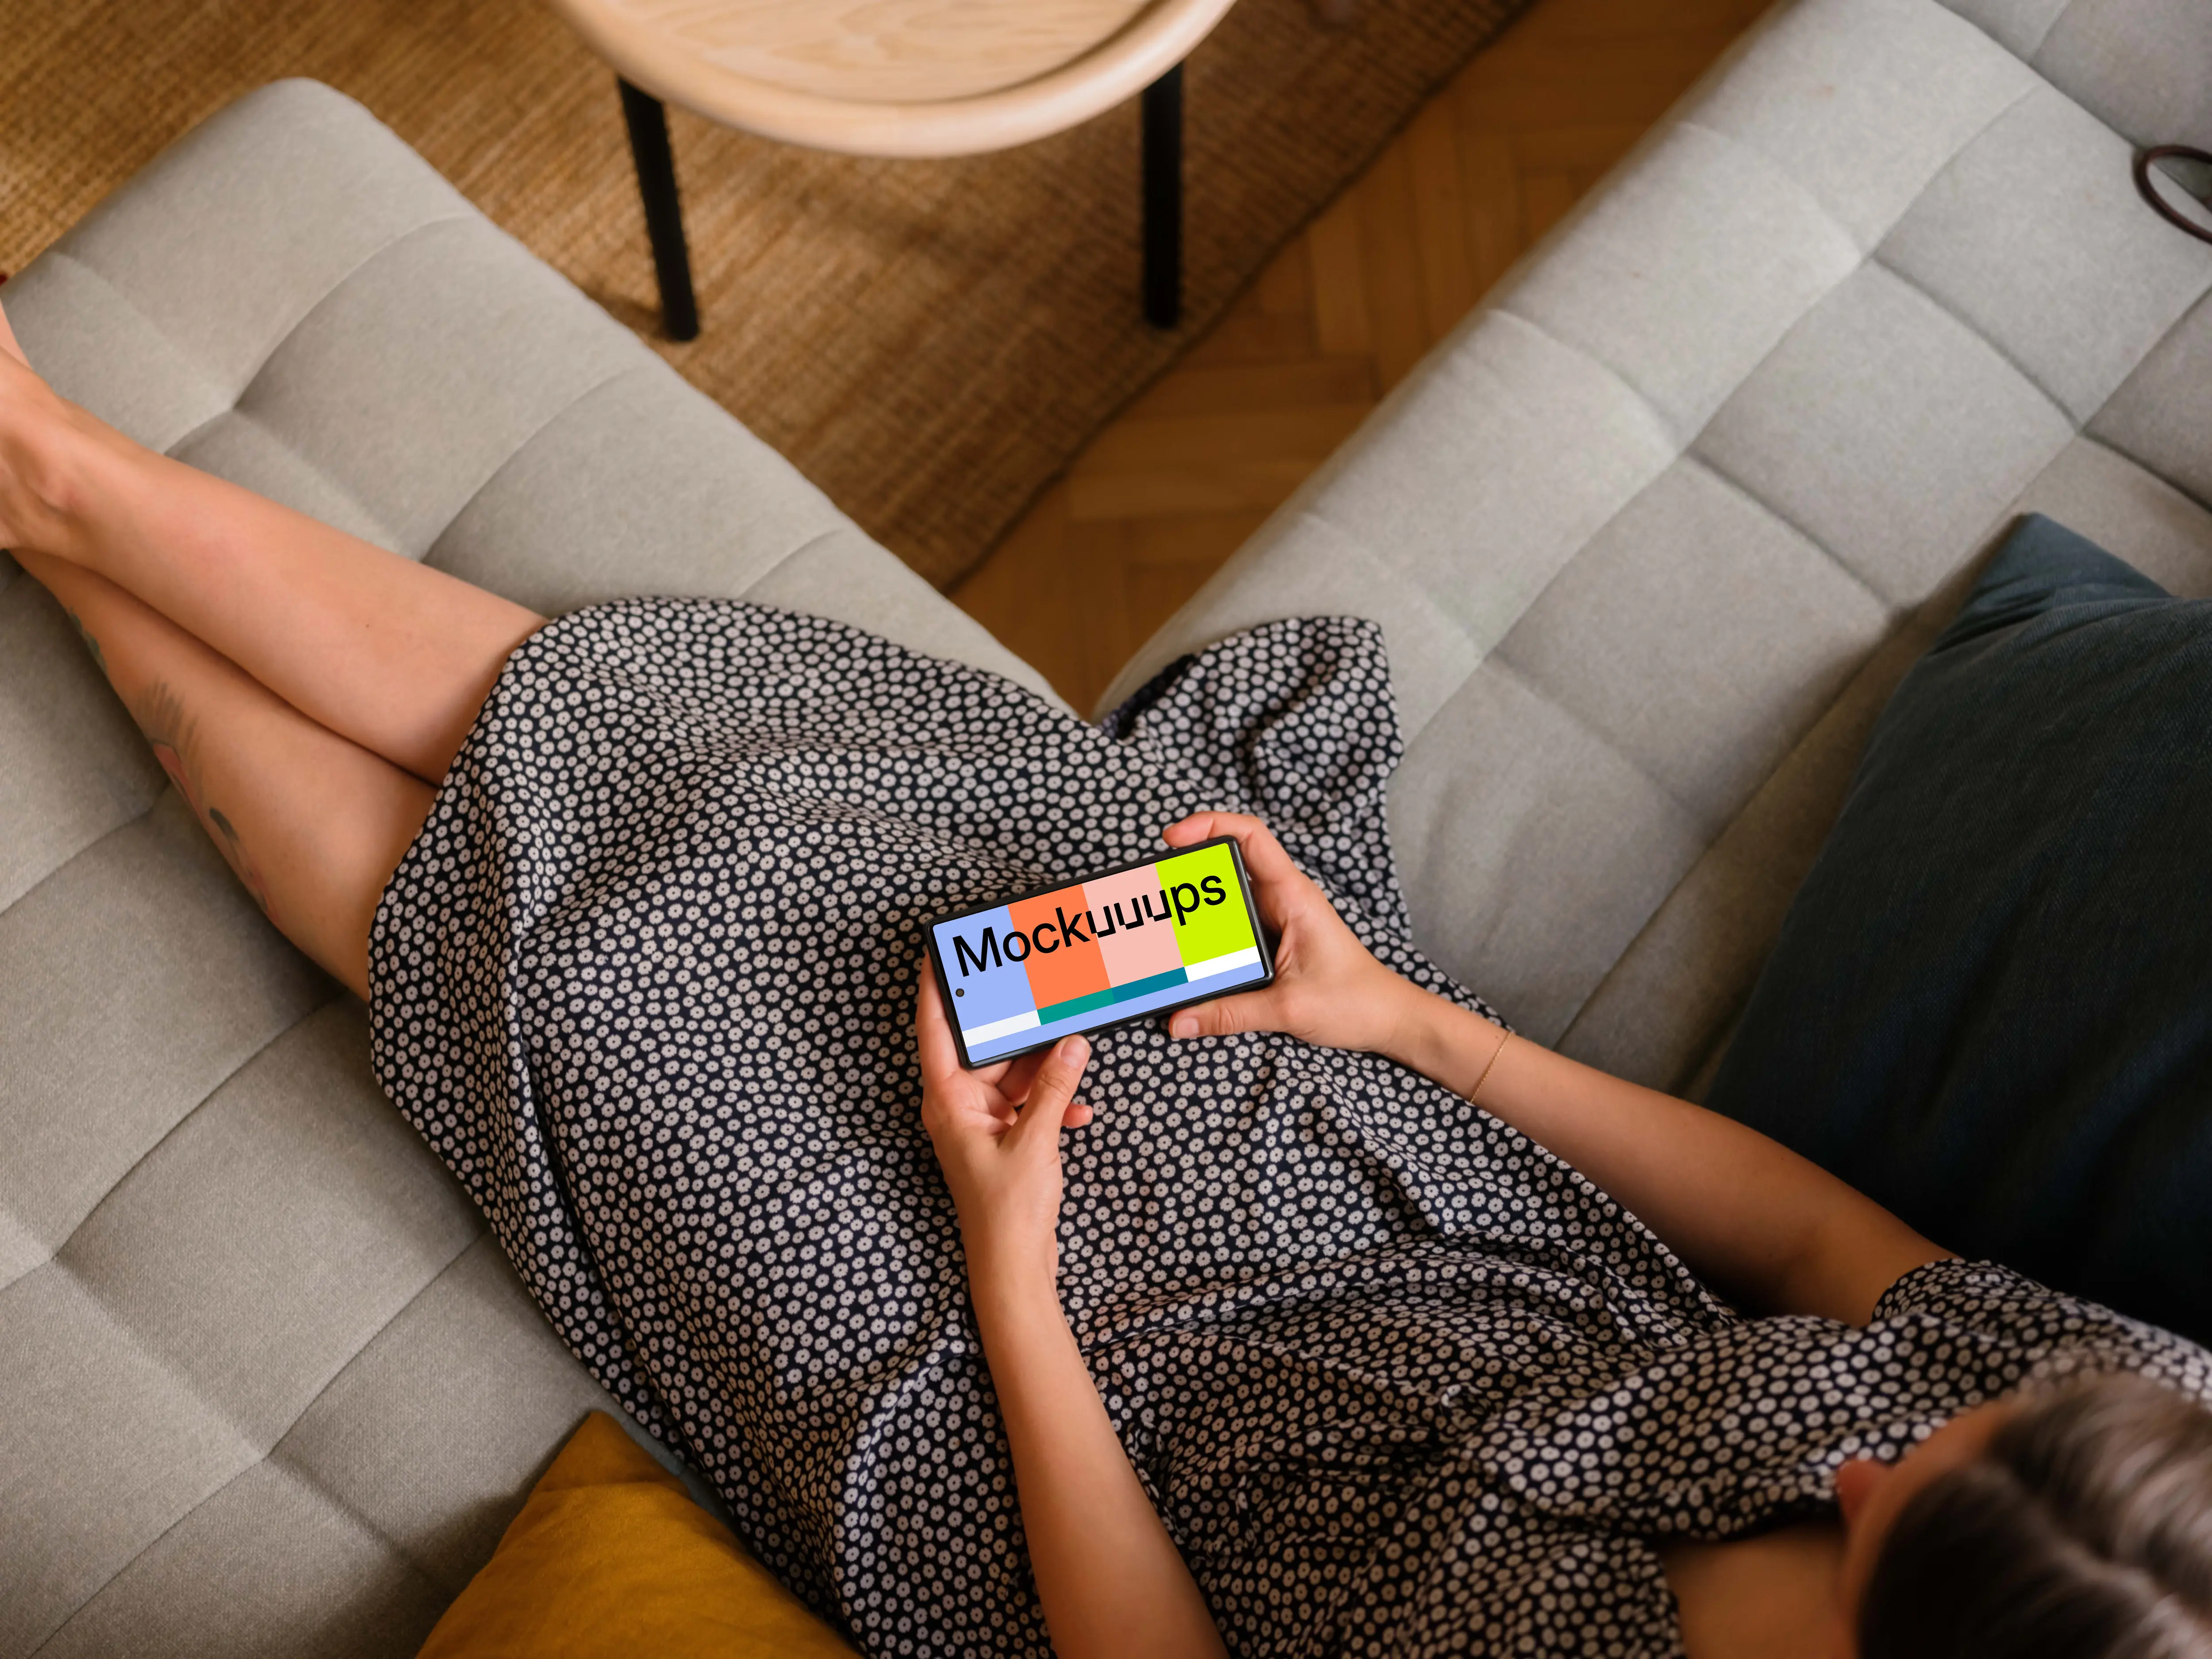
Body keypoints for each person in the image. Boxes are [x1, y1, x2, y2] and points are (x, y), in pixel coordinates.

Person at [5, 300, 2211, 1659]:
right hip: (1386, 1237)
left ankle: (51, 535)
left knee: (602, 1001)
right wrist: (1405, 1026)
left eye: (1873, 1534)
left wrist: (1011, 1277)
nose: (1859, 1452)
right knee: (775, 803)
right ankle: (54, 466)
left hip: (1064, 1466)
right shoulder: (2136, 1459)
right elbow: (1834, 1246)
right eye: (1935, 1428)